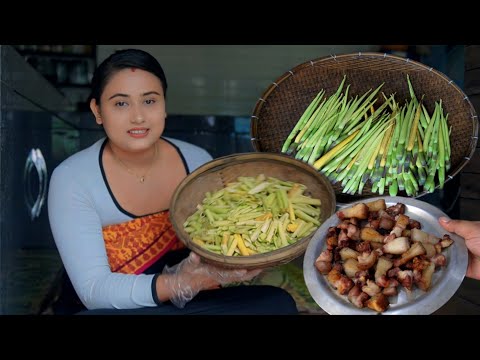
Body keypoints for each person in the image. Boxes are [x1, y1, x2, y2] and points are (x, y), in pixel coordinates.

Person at [47, 48, 298, 315]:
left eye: (150, 101)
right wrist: (179, 283)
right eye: (121, 103)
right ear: (97, 110)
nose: (138, 117)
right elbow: (94, 292)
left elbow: (221, 239)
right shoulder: (73, 178)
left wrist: (236, 263)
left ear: (164, 106)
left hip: (190, 301)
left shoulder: (195, 160)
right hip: (111, 307)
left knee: (276, 303)